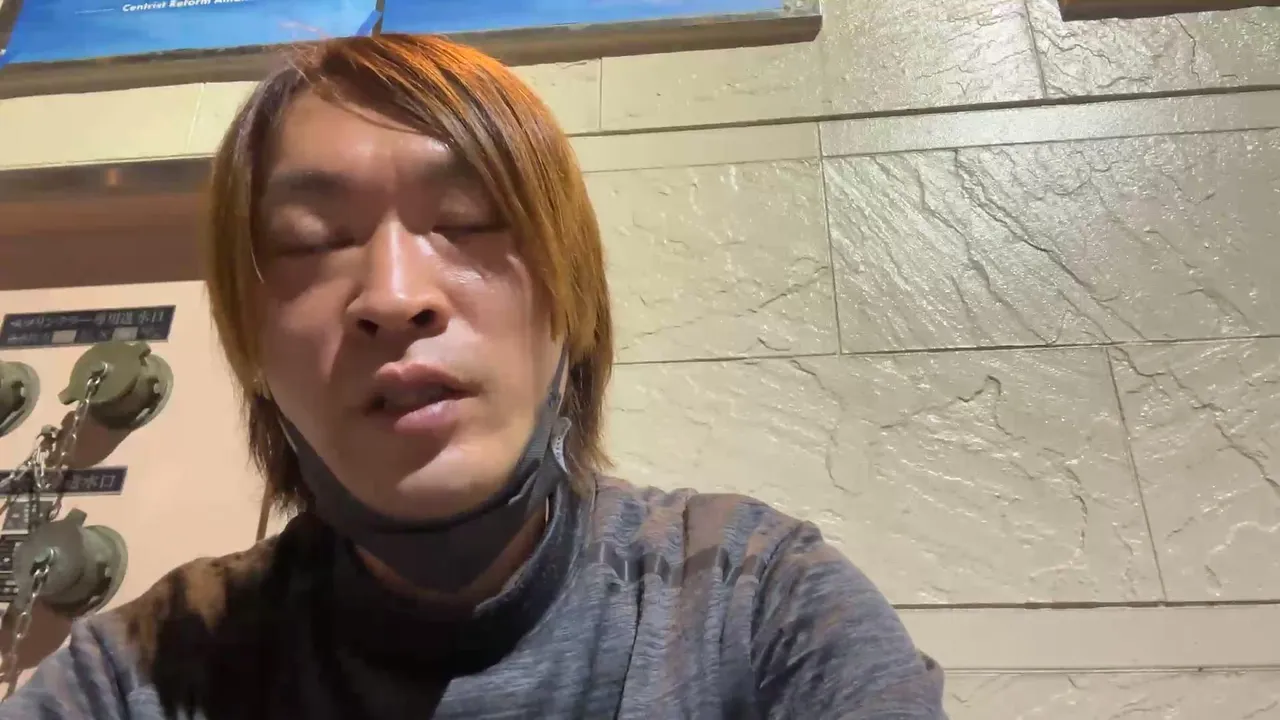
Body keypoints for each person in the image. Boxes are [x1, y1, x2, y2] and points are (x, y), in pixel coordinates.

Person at [0, 34, 946, 719]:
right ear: (249, 347)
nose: (394, 295)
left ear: (573, 302)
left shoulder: (755, 607)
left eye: (468, 220)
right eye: (311, 239)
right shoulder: (135, 677)